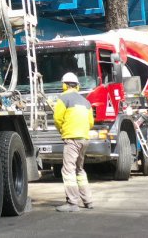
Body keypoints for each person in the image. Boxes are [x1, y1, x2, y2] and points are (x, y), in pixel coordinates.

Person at [53, 71, 94, 212]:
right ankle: (88, 201)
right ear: (77, 86)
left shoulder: (63, 98)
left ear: (64, 85)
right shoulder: (86, 101)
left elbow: (57, 119)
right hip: (84, 139)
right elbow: (91, 122)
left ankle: (72, 203)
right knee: (79, 170)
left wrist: (62, 131)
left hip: (72, 139)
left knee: (68, 170)